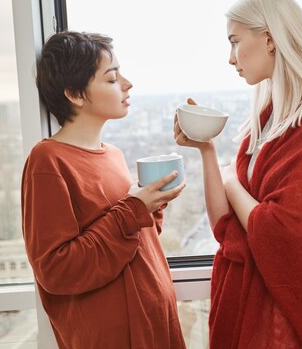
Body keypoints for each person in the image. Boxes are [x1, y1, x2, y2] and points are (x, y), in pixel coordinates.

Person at [174, 0, 302, 348]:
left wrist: (232, 180)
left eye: (234, 42)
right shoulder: (268, 114)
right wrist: (207, 152)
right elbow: (224, 226)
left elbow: (277, 232)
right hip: (241, 303)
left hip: (284, 322)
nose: (231, 58)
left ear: (270, 38)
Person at [21, 31, 187, 349]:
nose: (127, 84)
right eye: (111, 79)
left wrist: (151, 205)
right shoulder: (48, 161)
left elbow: (130, 241)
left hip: (154, 326)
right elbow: (56, 270)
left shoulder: (113, 154)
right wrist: (133, 210)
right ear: (75, 94)